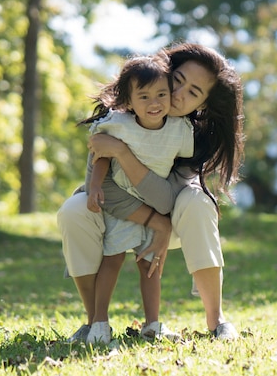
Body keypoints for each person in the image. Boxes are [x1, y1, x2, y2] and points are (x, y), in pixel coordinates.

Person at [58, 42, 245, 343]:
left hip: (169, 219)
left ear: (204, 104)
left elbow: (165, 201)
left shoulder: (189, 135)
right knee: (73, 210)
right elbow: (102, 183)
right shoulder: (125, 113)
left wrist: (122, 153)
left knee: (197, 201)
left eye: (193, 92)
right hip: (114, 209)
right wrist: (151, 217)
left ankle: (217, 320)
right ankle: (94, 322)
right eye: (178, 79)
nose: (177, 93)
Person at [80, 53, 194, 344]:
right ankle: (100, 324)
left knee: (151, 263)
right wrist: (94, 187)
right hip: (120, 203)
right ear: (129, 102)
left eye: (161, 94)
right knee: (113, 258)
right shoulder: (120, 125)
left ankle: (153, 324)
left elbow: (188, 167)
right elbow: (101, 156)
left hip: (155, 204)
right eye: (143, 97)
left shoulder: (180, 130)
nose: (154, 103)